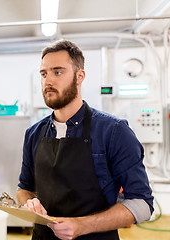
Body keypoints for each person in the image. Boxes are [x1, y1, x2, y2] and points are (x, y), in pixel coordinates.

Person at [17, 39, 153, 240]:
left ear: (80, 76)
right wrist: (29, 203)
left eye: (58, 72)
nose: (48, 81)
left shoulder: (113, 131)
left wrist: (82, 225)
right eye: (44, 74)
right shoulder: (33, 134)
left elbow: (143, 204)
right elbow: (24, 188)